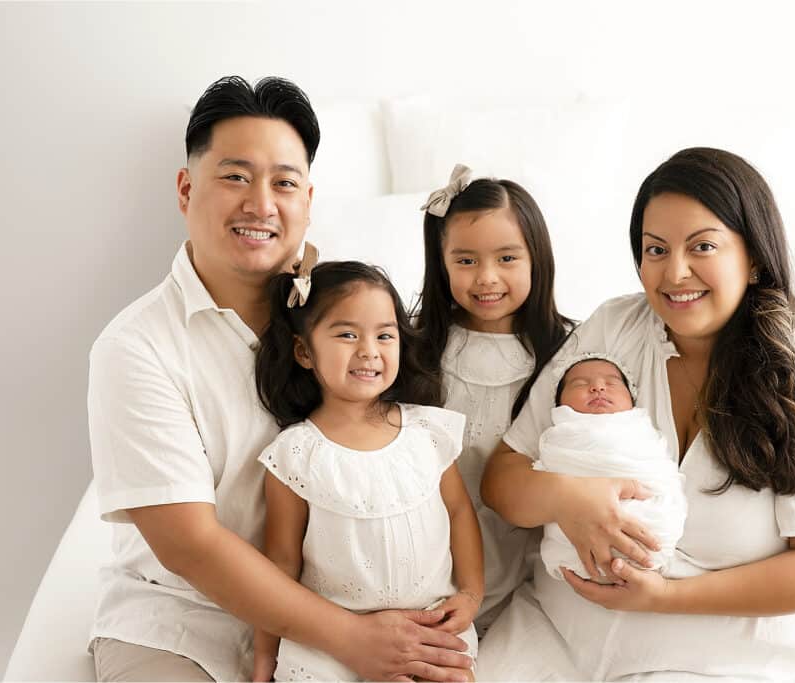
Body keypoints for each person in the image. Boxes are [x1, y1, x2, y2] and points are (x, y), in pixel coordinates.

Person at [87, 76, 473, 682]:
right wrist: (352, 640)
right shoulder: (135, 348)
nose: (262, 204)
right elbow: (189, 545)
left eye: (284, 183)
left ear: (309, 200)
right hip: (186, 620)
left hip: (351, 604)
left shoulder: (343, 315)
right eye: (236, 176)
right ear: (186, 190)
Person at [477, 148, 795, 680]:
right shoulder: (613, 329)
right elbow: (502, 478)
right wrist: (566, 496)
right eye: (656, 250)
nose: (675, 273)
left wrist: (662, 598)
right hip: (556, 631)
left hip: (711, 656)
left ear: (754, 256)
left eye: (703, 246)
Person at [250, 261, 484, 682]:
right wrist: (265, 656)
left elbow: (460, 514)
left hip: (429, 626)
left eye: (384, 335)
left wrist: (470, 594)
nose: (369, 350)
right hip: (333, 639)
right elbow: (280, 566)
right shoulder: (295, 454)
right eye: (347, 334)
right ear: (304, 351)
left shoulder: (427, 432)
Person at [412, 164, 574, 633]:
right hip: (429, 564)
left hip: (525, 570)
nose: (486, 278)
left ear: (536, 260)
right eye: (465, 261)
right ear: (440, 265)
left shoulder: (568, 355)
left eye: (507, 259)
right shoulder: (415, 349)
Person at [537, 355, 686, 582]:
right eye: (580, 383)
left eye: (612, 382)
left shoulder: (642, 433)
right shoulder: (560, 437)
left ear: (632, 399)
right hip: (573, 538)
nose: (597, 387)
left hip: (648, 527)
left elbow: (662, 475)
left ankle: (641, 546)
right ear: (559, 404)